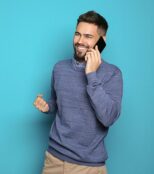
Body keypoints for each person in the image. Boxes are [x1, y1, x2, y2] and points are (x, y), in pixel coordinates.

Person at [33, 11, 123, 174]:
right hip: (53, 160)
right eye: (77, 34)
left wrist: (91, 74)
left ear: (101, 42)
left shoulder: (113, 74)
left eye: (88, 36)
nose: (80, 41)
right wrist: (48, 107)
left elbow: (108, 117)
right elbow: (58, 102)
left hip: (88, 166)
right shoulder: (59, 68)